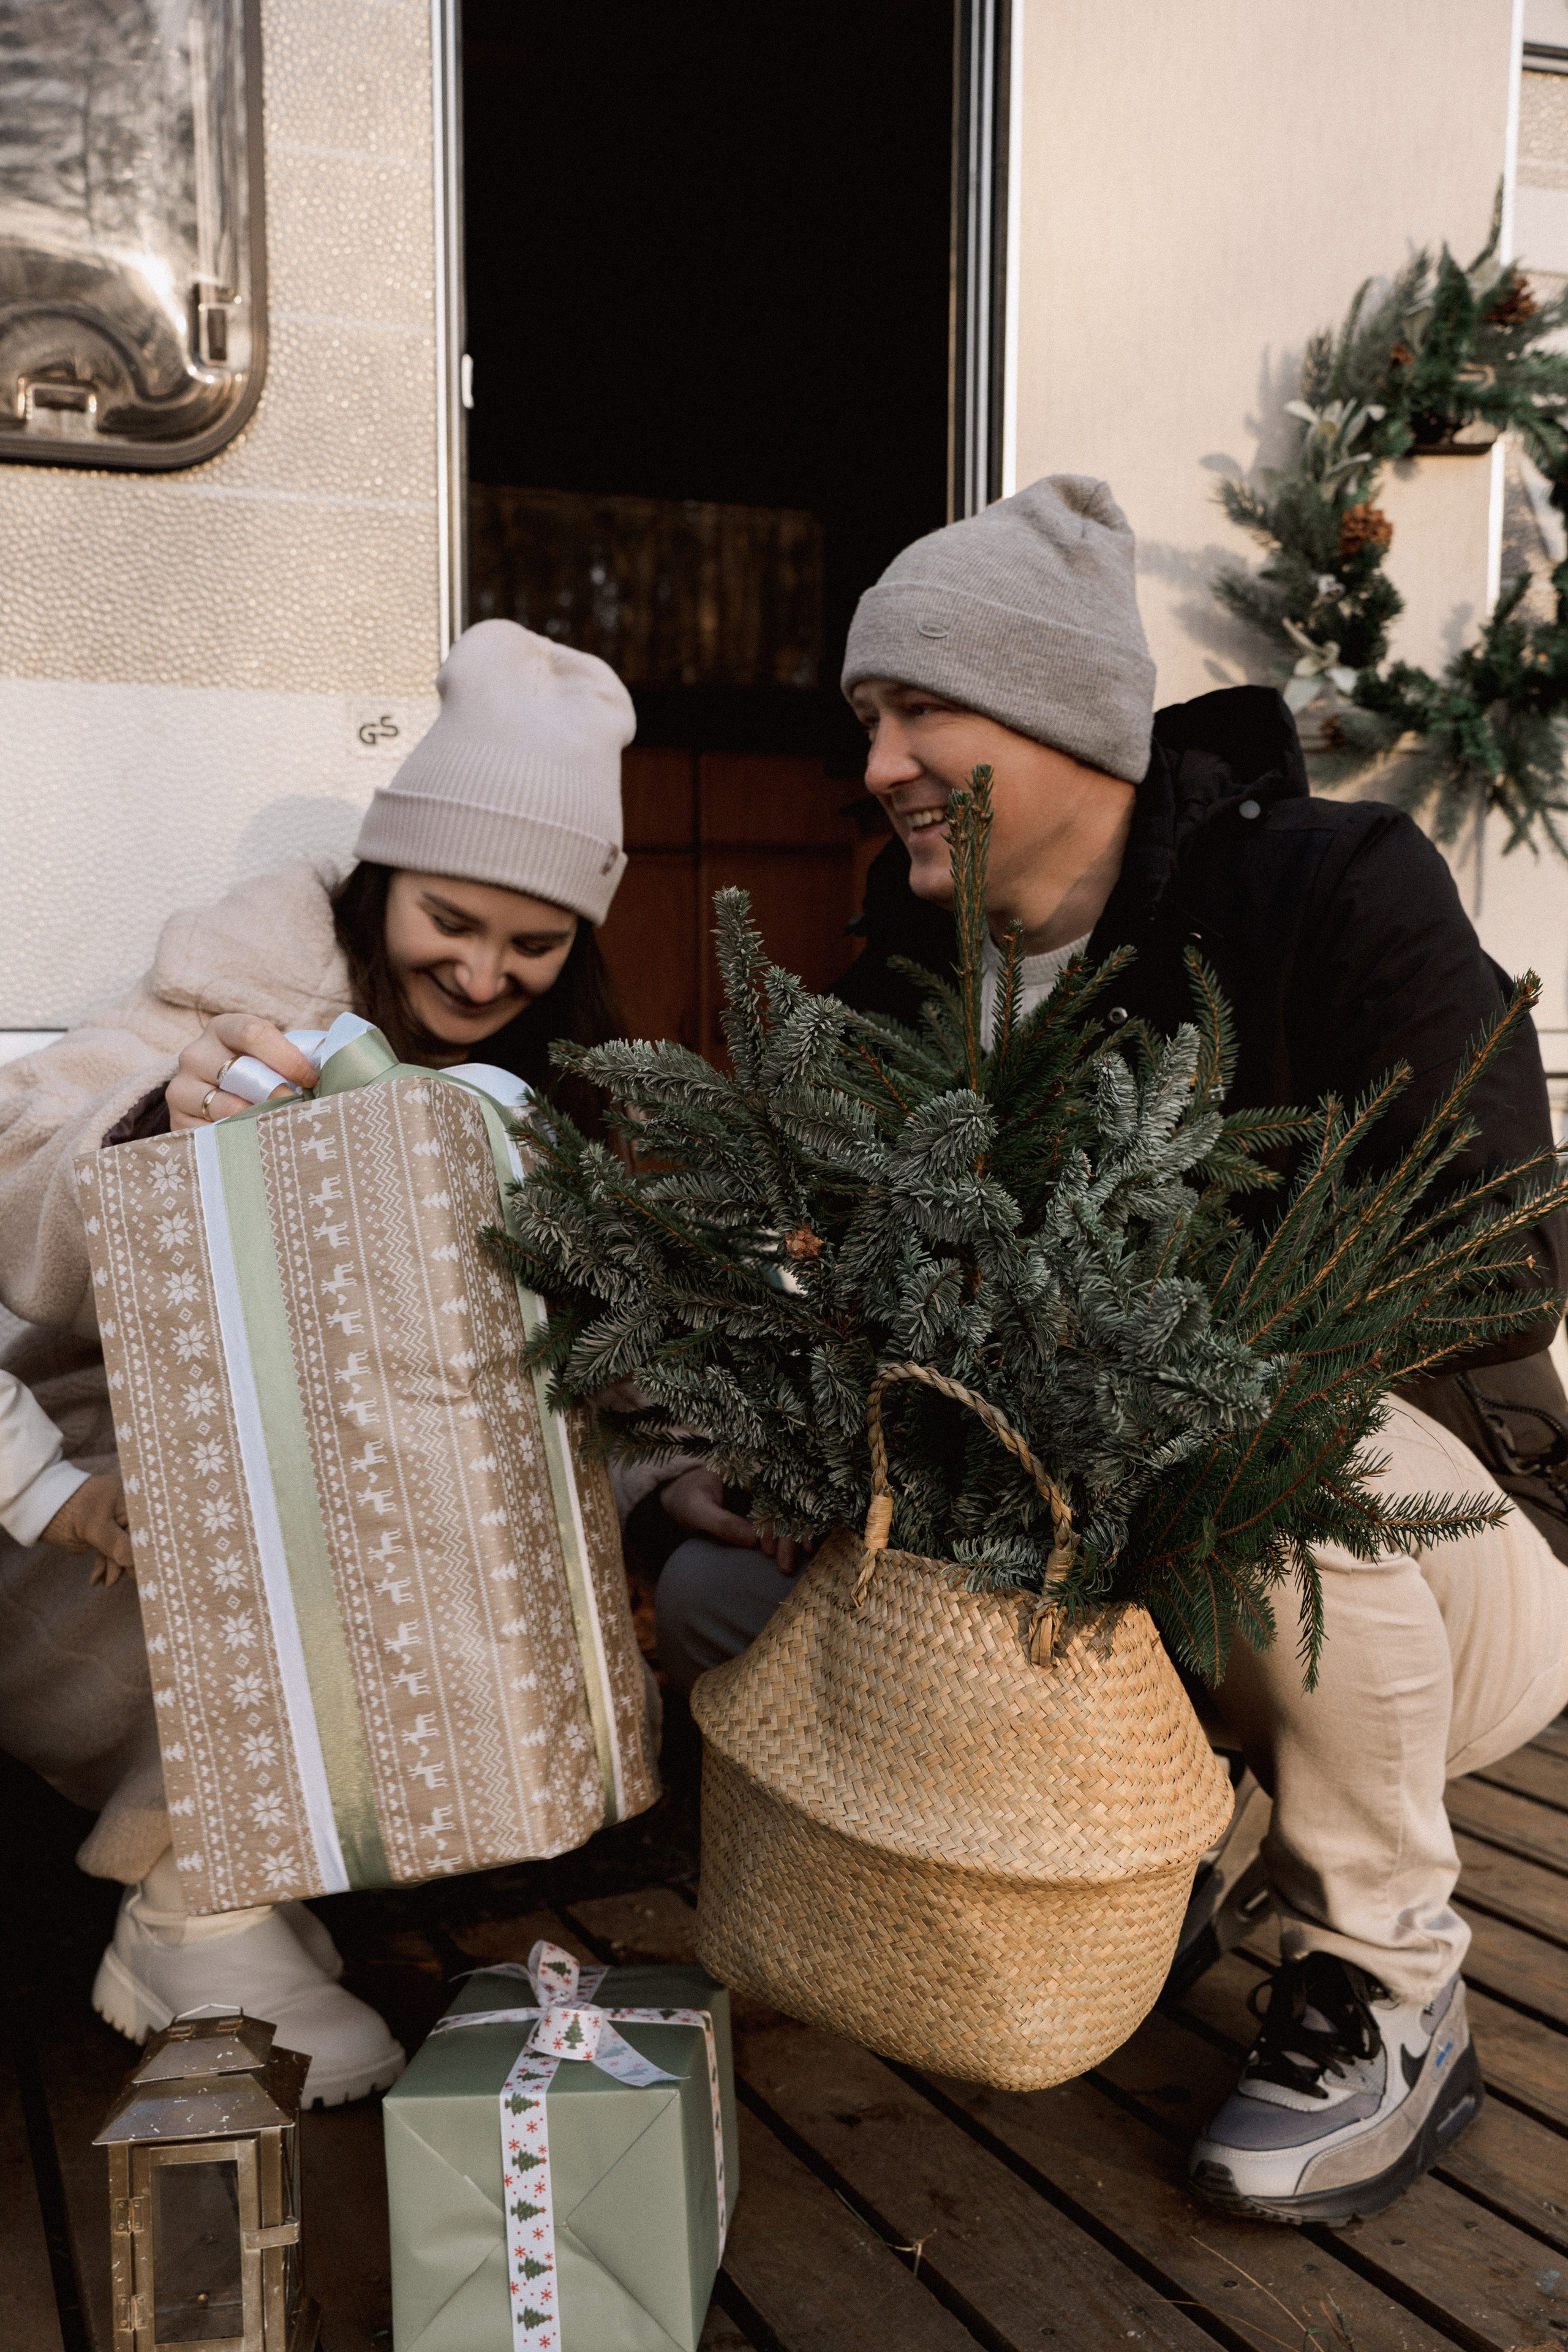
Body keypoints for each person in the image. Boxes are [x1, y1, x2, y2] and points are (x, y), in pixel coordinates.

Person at [655, 475, 1568, 2225]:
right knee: (724, 1605)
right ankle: (1151, 1856)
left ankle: (1387, 1984)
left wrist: (1111, 1327)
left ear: (1069, 712)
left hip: (1438, 1570)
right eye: (866, 721)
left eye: (923, 708)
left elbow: (1494, 1251)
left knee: (1266, 1440)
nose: (879, 767)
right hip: (1100, 1561)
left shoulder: (1329, 886)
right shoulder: (908, 955)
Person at [0, 619, 694, 2103]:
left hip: (368, 1497)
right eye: (451, 917)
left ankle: (242, 1880)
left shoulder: (558, 1094)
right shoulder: (235, 996)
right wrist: (147, 1128)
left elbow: (566, 1382)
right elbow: (22, 1163)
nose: (484, 969)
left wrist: (668, 1484)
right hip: (116, 1512)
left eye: (535, 941)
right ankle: (191, 1911)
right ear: (385, 880)